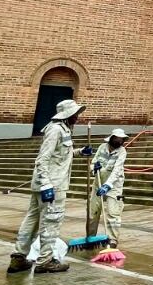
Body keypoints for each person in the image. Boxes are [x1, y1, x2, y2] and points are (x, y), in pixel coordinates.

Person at [9, 98, 84, 274]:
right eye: (75, 114)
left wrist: (79, 152)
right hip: (52, 185)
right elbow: (43, 159)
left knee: (32, 220)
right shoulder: (56, 130)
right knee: (51, 222)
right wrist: (46, 185)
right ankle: (45, 261)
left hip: (45, 183)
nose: (78, 117)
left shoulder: (62, 129)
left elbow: (60, 155)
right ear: (68, 115)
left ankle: (19, 257)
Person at [85, 128, 128, 249]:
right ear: (112, 138)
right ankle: (90, 237)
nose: (119, 141)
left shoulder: (122, 151)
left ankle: (112, 239)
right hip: (99, 181)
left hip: (114, 185)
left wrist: (107, 185)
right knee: (92, 211)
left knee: (113, 213)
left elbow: (117, 170)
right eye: (117, 139)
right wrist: (94, 167)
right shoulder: (102, 147)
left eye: (121, 139)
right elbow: (93, 162)